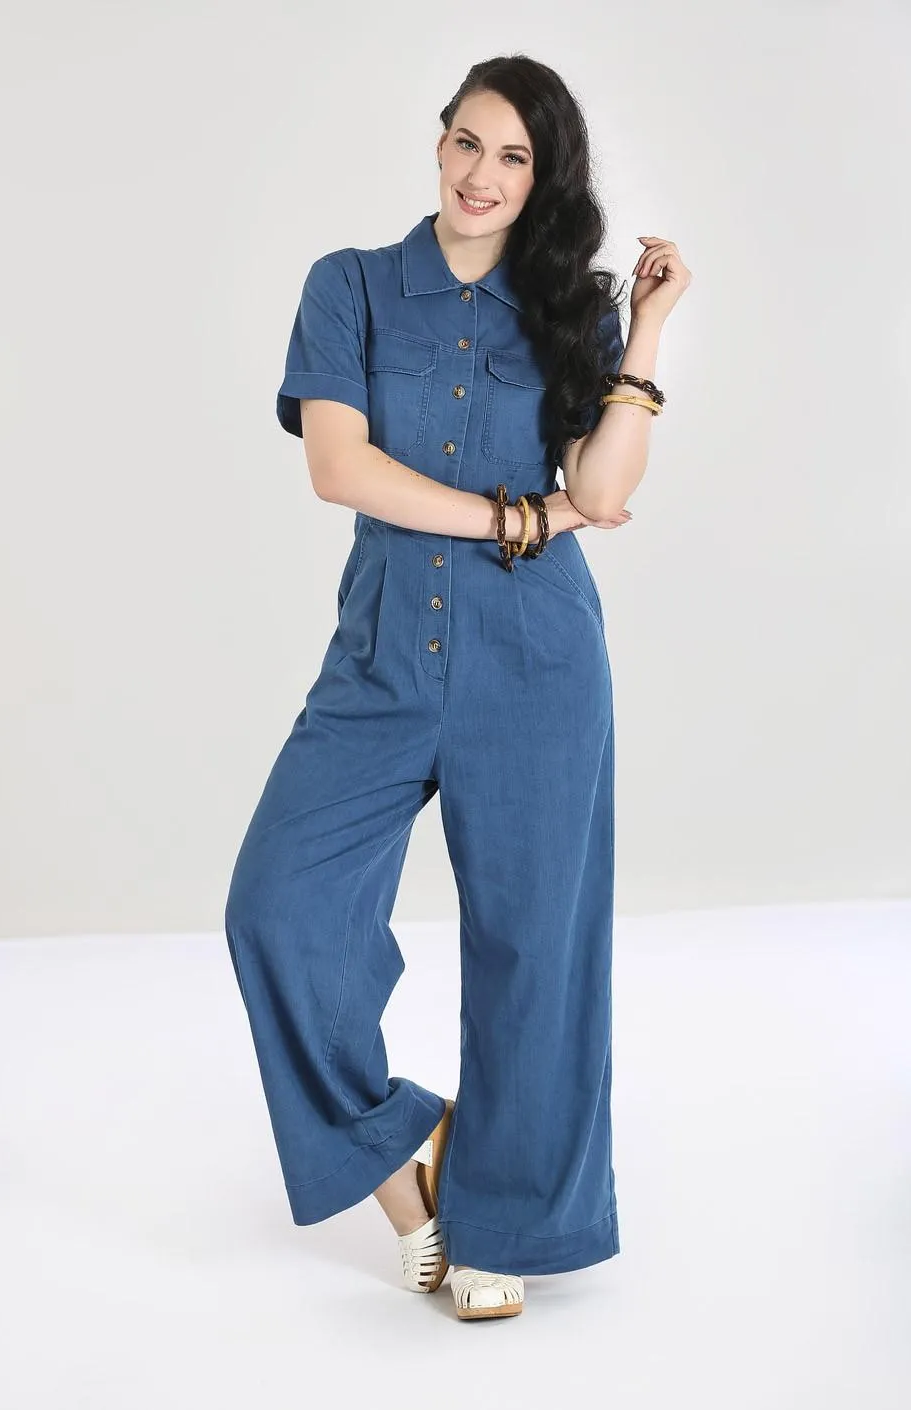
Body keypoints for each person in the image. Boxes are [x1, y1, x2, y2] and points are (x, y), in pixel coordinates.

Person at [224, 52, 691, 1322]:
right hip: (381, 654)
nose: (482, 175)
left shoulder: (573, 310)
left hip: (538, 659)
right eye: (467, 143)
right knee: (277, 907)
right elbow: (340, 468)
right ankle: (406, 1156)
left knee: (537, 946)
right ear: (438, 142)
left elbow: (600, 493)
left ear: (544, 180)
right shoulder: (352, 286)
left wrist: (647, 330)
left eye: (514, 158)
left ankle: (503, 1225)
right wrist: (511, 516)